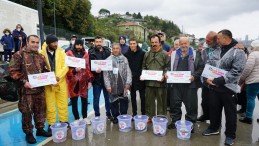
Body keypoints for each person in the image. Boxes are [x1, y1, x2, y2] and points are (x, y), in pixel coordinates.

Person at [202, 29, 246, 146]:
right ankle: (214, 128)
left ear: (225, 39)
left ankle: (230, 135)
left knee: (230, 114)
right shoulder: (217, 50)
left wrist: (219, 80)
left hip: (228, 89)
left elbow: (237, 71)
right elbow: (209, 63)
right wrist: (206, 78)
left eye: (218, 38)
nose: (217, 40)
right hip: (214, 88)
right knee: (214, 109)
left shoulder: (238, 52)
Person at [8, 35, 51, 144]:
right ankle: (29, 133)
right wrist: (24, 81)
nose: (35, 44)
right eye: (33, 42)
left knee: (41, 110)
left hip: (40, 90)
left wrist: (51, 79)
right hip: (26, 91)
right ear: (27, 42)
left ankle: (40, 129)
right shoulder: (19, 55)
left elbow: (46, 71)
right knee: (27, 112)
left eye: (37, 42)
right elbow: (13, 71)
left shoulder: (41, 56)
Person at [166, 37, 204, 131]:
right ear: (179, 44)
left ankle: (190, 124)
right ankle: (175, 122)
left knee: (191, 106)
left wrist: (194, 76)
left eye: (185, 43)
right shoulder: (174, 53)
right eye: (181, 43)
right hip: (176, 85)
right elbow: (167, 66)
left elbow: (200, 68)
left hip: (190, 85)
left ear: (189, 43)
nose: (183, 45)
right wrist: (166, 73)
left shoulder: (195, 53)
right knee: (174, 105)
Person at [40, 34, 69, 131]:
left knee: (63, 103)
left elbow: (66, 66)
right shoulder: (41, 54)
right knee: (50, 104)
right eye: (53, 42)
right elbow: (40, 69)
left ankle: (64, 120)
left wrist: (58, 77)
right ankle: (51, 124)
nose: (55, 44)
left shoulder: (61, 52)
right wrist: (50, 80)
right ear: (48, 43)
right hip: (48, 84)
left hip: (60, 82)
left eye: (56, 42)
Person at [142, 34, 169, 123]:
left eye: (156, 42)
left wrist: (164, 75)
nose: (154, 44)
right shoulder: (147, 54)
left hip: (160, 82)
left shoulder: (165, 54)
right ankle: (150, 117)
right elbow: (144, 67)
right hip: (149, 82)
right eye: (152, 42)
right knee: (149, 101)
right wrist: (143, 74)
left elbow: (167, 67)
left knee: (162, 102)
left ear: (159, 42)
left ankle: (161, 118)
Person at [66, 39, 94, 124]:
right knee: (74, 101)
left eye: (80, 45)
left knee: (84, 100)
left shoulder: (85, 54)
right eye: (77, 45)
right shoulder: (69, 54)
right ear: (74, 45)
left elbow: (88, 67)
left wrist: (89, 80)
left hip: (83, 81)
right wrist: (74, 71)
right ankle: (77, 118)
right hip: (73, 81)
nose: (79, 47)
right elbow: (66, 68)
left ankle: (85, 117)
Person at [103, 43, 132, 124]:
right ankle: (115, 116)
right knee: (113, 102)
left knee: (124, 101)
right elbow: (105, 74)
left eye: (117, 48)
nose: (115, 50)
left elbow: (128, 72)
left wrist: (128, 83)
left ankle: (123, 116)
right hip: (112, 85)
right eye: (114, 48)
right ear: (112, 49)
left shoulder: (124, 59)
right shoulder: (108, 60)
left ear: (120, 49)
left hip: (123, 85)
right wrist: (108, 85)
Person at [88, 36, 113, 120]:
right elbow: (89, 66)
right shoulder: (90, 52)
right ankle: (97, 115)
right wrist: (95, 71)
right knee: (96, 99)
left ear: (102, 42)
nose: (98, 43)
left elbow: (110, 64)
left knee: (108, 98)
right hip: (96, 80)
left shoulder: (108, 51)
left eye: (100, 41)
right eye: (97, 42)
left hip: (106, 80)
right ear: (94, 42)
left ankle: (108, 114)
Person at [197, 31, 218, 122]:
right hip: (205, 78)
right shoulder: (205, 49)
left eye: (209, 41)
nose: (207, 42)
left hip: (215, 79)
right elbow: (201, 62)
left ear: (215, 40)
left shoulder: (220, 48)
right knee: (204, 100)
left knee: (214, 102)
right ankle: (205, 115)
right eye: (206, 40)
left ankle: (215, 121)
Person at [239, 40, 259, 124]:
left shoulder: (253, 55)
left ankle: (248, 117)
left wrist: (241, 79)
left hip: (253, 81)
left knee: (251, 99)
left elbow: (247, 69)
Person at [124, 38, 146, 117]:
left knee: (143, 97)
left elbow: (145, 65)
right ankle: (134, 113)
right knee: (133, 98)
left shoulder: (142, 53)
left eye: (134, 43)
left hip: (141, 78)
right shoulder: (126, 55)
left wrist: (143, 74)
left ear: (137, 44)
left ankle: (143, 113)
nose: (132, 45)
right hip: (132, 79)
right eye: (131, 44)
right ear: (129, 45)